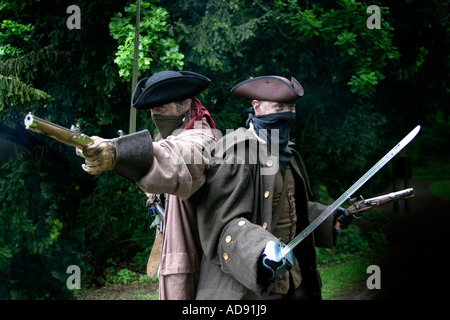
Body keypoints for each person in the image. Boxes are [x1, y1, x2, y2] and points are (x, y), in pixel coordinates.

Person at [194, 75, 352, 300]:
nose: (287, 113)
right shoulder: (237, 153)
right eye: (279, 106)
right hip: (250, 285)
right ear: (256, 107)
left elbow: (288, 204)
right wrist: (261, 251)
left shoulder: (288, 152)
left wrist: (328, 218)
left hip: (294, 280)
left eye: (291, 107)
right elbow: (222, 222)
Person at [77, 70, 218, 300]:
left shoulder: (202, 138)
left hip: (199, 260)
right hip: (179, 251)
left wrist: (117, 150)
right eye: (152, 109)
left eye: (161, 107)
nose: (155, 114)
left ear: (185, 106)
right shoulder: (170, 138)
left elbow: (176, 157)